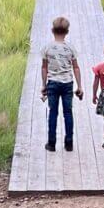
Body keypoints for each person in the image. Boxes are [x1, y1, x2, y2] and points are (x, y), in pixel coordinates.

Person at [41, 16, 83, 152]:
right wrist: (79, 86)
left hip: (52, 83)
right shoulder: (70, 48)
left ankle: (51, 143)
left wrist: (44, 85)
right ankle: (69, 143)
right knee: (68, 112)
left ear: (52, 31)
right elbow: (76, 67)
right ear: (67, 32)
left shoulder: (47, 48)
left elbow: (44, 68)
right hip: (67, 84)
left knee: (53, 112)